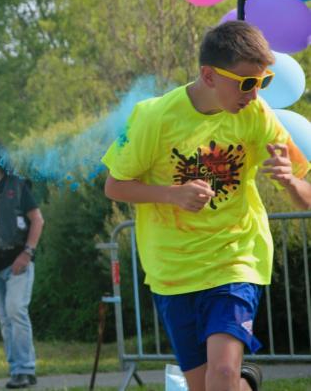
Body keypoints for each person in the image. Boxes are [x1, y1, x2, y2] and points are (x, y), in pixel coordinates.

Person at [101, 21, 311, 391]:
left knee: (224, 373)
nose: (254, 93)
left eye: (262, 82)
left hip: (236, 257)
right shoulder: (152, 117)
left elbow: (306, 195)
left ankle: (236, 377)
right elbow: (115, 186)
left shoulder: (257, 115)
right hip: (174, 268)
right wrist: (172, 194)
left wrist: (292, 182)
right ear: (209, 76)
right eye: (246, 82)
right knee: (206, 387)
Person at [0, 140, 44, 389]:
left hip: (17, 264)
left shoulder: (17, 185)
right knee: (4, 319)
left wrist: (27, 253)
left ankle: (26, 369)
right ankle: (16, 372)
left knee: (16, 312)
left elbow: (37, 220)